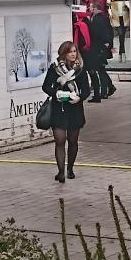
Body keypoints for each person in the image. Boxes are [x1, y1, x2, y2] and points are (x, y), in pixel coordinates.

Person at [43, 41, 92, 181]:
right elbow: (46, 86)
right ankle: (61, 172)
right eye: (70, 51)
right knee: (60, 140)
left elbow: (86, 90)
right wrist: (55, 93)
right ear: (63, 53)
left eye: (75, 51)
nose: (73, 54)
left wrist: (79, 98)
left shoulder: (80, 69)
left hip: (74, 109)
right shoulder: (55, 68)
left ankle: (70, 168)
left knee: (73, 141)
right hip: (59, 108)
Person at [85, 6, 116, 101]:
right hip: (102, 47)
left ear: (95, 9)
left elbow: (99, 33)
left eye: (91, 7)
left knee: (100, 70)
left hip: (99, 48)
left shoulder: (98, 19)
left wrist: (105, 45)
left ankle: (104, 92)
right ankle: (110, 87)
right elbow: (109, 32)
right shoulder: (103, 18)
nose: (90, 9)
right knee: (101, 69)